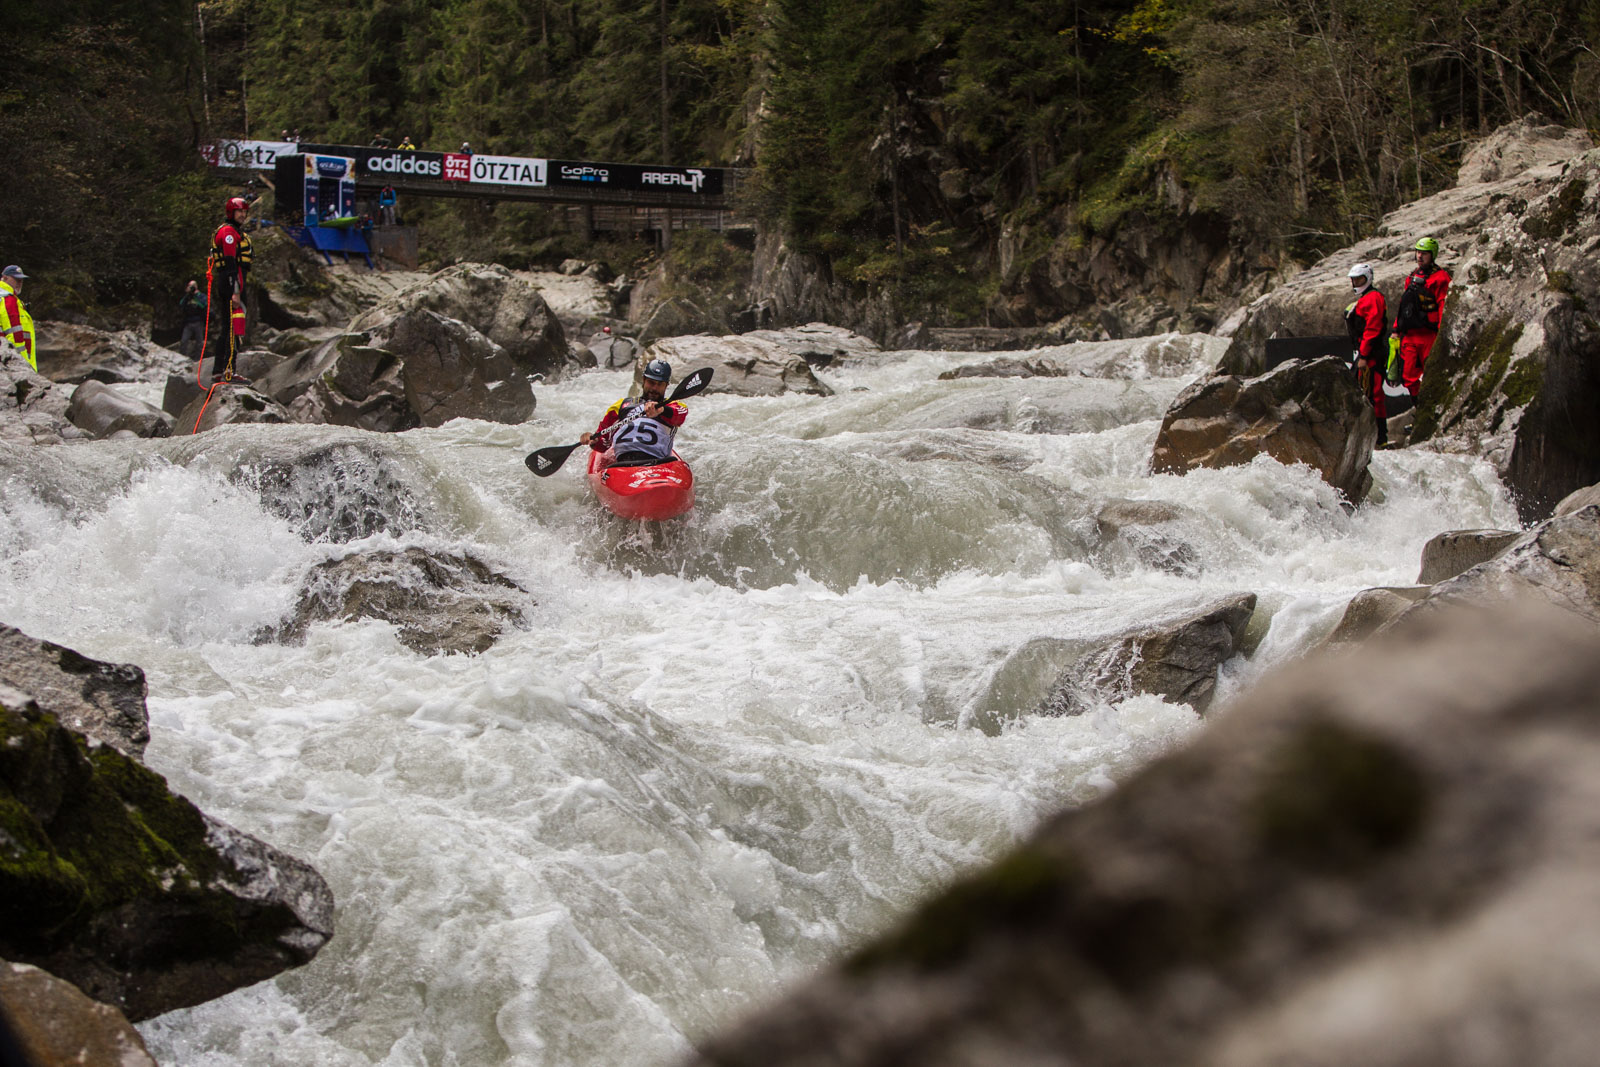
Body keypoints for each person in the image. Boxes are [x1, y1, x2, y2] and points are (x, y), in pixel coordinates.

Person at [580, 359, 688, 465]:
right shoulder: (620, 405)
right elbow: (603, 444)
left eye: (660, 384)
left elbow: (680, 416)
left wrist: (662, 410)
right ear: (644, 380)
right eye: (651, 382)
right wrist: (593, 440)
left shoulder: (672, 405)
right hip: (623, 464)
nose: (654, 388)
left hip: (658, 463)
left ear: (666, 385)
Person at [1391, 236, 1451, 398]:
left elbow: (1442, 306)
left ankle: (1430, 409)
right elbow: (1405, 306)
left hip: (1429, 335)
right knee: (1409, 378)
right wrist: (1396, 329)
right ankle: (1419, 408)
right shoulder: (1411, 277)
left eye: (1424, 253)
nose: (1420, 256)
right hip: (1410, 335)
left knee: (1432, 375)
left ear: (1432, 255)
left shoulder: (1441, 278)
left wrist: (1441, 333)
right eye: (1418, 252)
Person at [207, 196, 253, 382]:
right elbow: (230, 263)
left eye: (244, 212)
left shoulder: (234, 232)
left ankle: (221, 370)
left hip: (233, 284)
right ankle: (227, 372)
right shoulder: (228, 232)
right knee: (232, 328)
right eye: (239, 211)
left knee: (229, 328)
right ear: (231, 212)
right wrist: (235, 291)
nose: (243, 215)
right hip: (230, 285)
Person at [1345, 262, 1389, 446]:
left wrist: (1363, 356)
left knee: (1373, 394)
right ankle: (1370, 434)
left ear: (1368, 278)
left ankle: (1380, 437)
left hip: (1372, 355)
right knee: (1363, 392)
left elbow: (1373, 329)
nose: (1356, 283)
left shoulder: (1374, 298)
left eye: (1359, 279)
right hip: (1365, 353)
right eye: (1354, 280)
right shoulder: (1365, 298)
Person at [0, 265, 36, 371]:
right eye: (16, 279)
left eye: (21, 280)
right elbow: (14, 334)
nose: (20, 283)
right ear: (5, 278)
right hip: (16, 363)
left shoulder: (11, 299)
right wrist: (22, 365)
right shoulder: (8, 300)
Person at [178, 279, 207, 359]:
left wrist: (195, 298)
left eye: (192, 286)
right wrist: (188, 295)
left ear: (196, 286)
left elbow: (204, 306)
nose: (190, 288)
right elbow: (181, 304)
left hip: (198, 321)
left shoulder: (201, 296)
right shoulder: (188, 297)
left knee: (199, 342)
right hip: (188, 322)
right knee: (184, 341)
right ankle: (182, 356)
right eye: (189, 286)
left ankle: (198, 359)